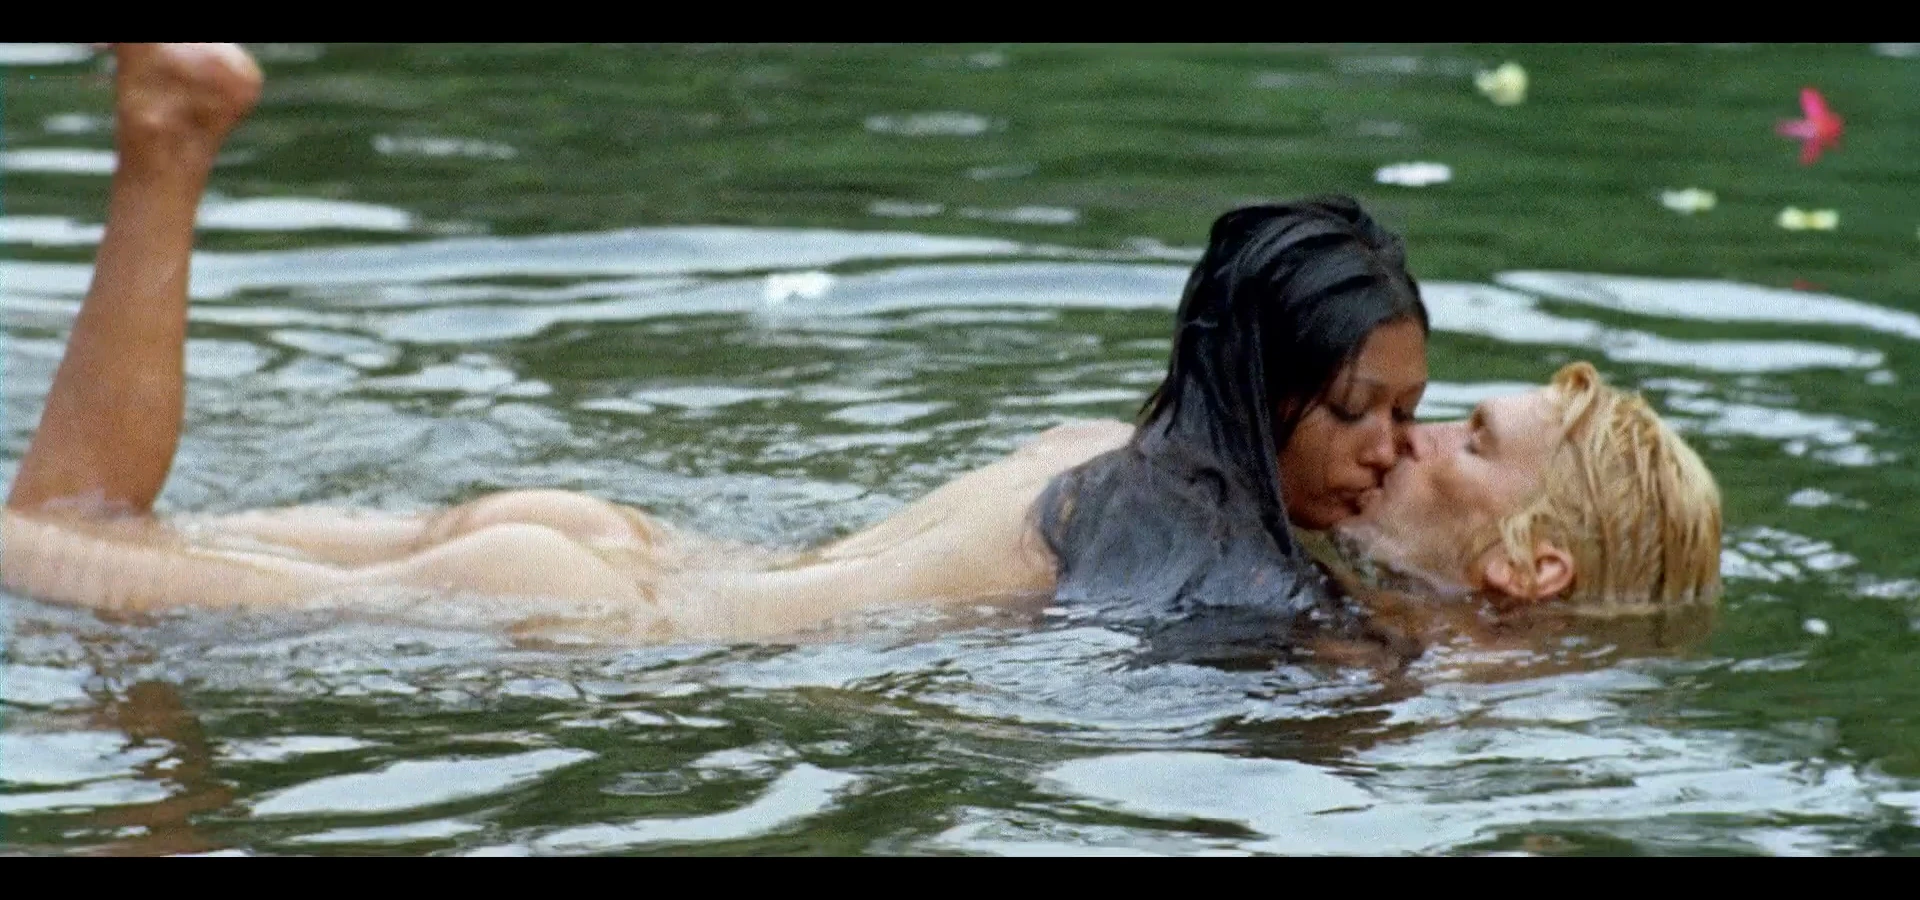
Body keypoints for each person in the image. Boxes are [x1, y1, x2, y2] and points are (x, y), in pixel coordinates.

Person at [0, 44, 1721, 662]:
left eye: (1457, 438)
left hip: (610, 549)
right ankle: (173, 136)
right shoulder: (1229, 558)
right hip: (587, 617)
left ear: (1529, 560)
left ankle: (170, 135)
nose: (1406, 442)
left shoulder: (1160, 457)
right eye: (1390, 412)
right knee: (47, 553)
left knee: (74, 530)